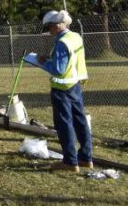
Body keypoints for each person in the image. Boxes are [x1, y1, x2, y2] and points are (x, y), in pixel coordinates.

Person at [38, 10, 92, 172]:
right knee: (80, 121)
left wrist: (42, 63)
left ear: (58, 25)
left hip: (61, 88)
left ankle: (70, 162)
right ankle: (85, 158)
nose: (49, 30)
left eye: (50, 26)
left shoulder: (62, 42)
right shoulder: (75, 37)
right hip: (75, 85)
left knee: (64, 125)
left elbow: (59, 70)